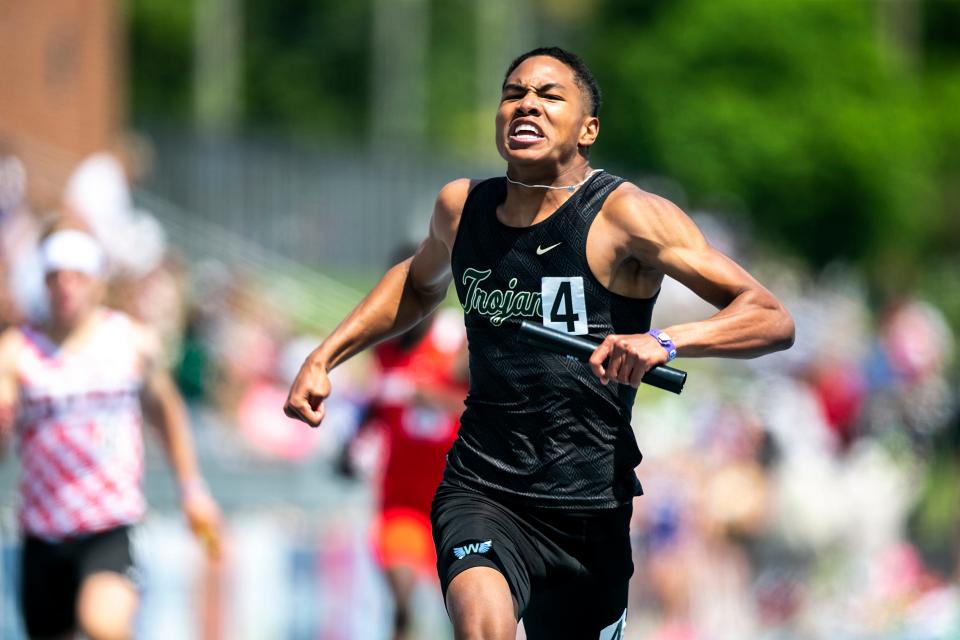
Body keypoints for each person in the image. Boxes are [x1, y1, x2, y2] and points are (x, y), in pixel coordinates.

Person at [285, 47, 795, 639]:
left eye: (549, 95)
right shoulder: (461, 209)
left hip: (590, 507)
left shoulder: (626, 216)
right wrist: (325, 355)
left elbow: (769, 316)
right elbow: (418, 284)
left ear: (588, 129)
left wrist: (664, 341)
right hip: (482, 487)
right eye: (513, 93)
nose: (526, 104)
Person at [0, 224, 222, 640]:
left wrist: (192, 489)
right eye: (55, 278)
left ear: (97, 283)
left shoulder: (130, 342)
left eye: (77, 277)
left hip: (109, 523)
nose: (66, 288)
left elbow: (167, 411)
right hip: (43, 530)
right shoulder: (16, 352)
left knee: (103, 624)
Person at [345, 295, 467, 640]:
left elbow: (484, 407)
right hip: (401, 504)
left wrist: (432, 398)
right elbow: (376, 404)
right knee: (401, 601)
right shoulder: (384, 353)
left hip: (456, 503)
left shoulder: (455, 343)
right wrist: (352, 443)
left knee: (464, 610)